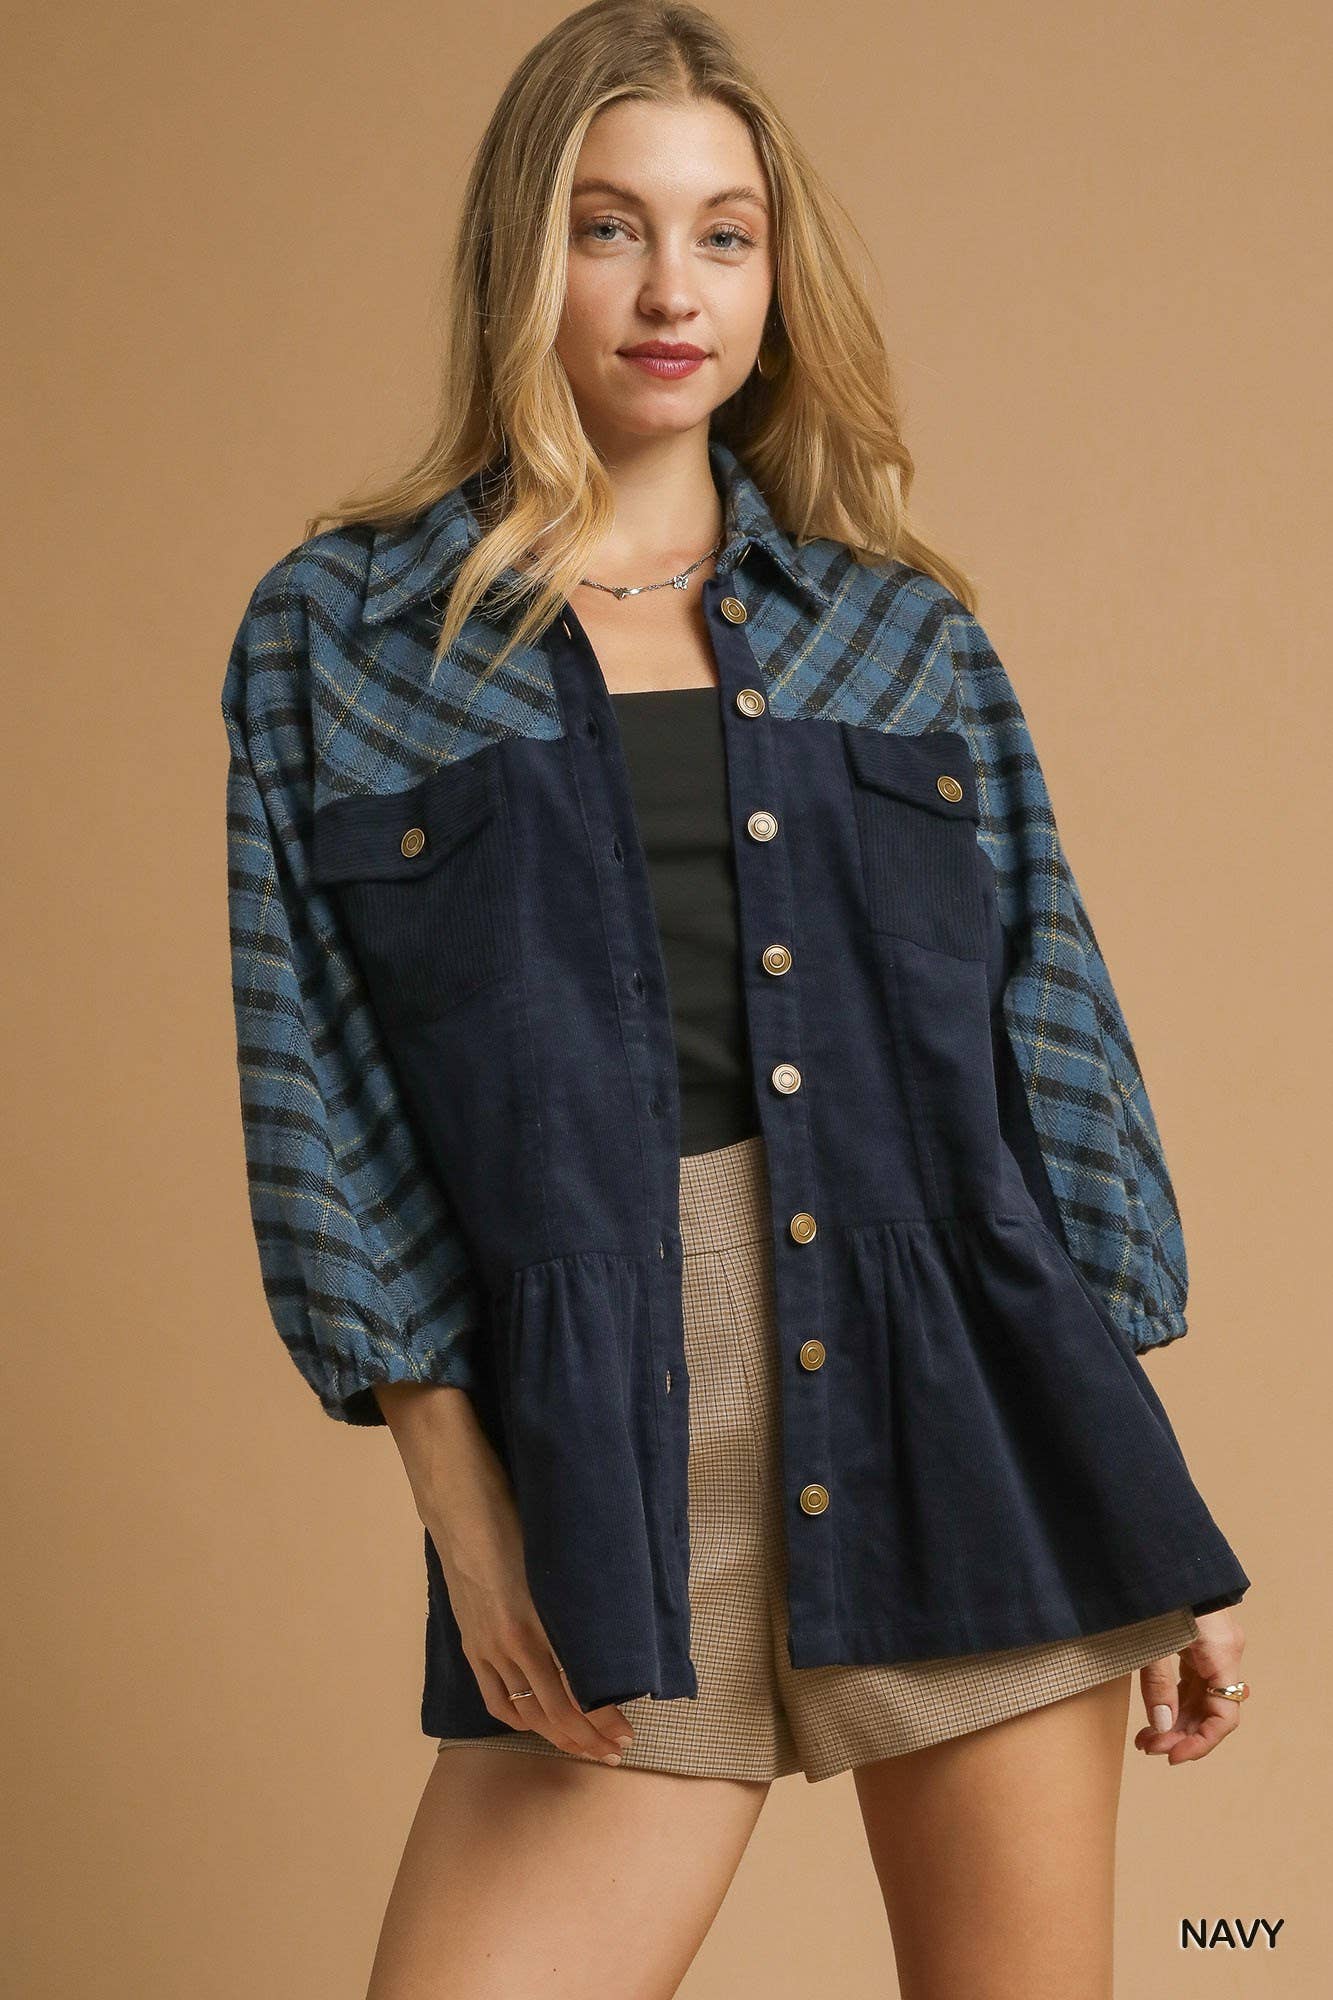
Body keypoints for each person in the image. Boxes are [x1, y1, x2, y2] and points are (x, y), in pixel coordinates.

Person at [220, 5, 1252, 1994]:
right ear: (524, 256)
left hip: (968, 1416)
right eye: (608, 227)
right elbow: (316, 1079)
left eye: (724, 233)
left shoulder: (900, 636)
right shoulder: (345, 639)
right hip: (606, 1453)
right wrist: (466, 1506)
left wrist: (1148, 1498)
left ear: (778, 277)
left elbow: (1044, 1047)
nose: (670, 290)